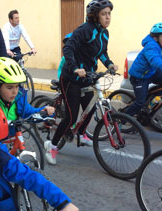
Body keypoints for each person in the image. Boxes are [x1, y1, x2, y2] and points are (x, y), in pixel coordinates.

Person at [0, 57, 55, 211]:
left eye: (18, 86)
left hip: (9, 132)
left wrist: (43, 112)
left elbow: (27, 111)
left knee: (10, 165)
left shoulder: (17, 96)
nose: (15, 91)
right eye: (10, 87)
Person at [44, 0, 118, 166]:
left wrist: (110, 64)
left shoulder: (104, 33)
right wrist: (76, 68)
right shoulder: (85, 30)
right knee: (71, 116)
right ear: (95, 16)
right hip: (71, 78)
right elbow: (68, 48)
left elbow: (102, 53)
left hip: (88, 77)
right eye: (104, 14)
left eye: (109, 14)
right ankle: (52, 146)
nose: (108, 17)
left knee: (91, 107)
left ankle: (81, 134)